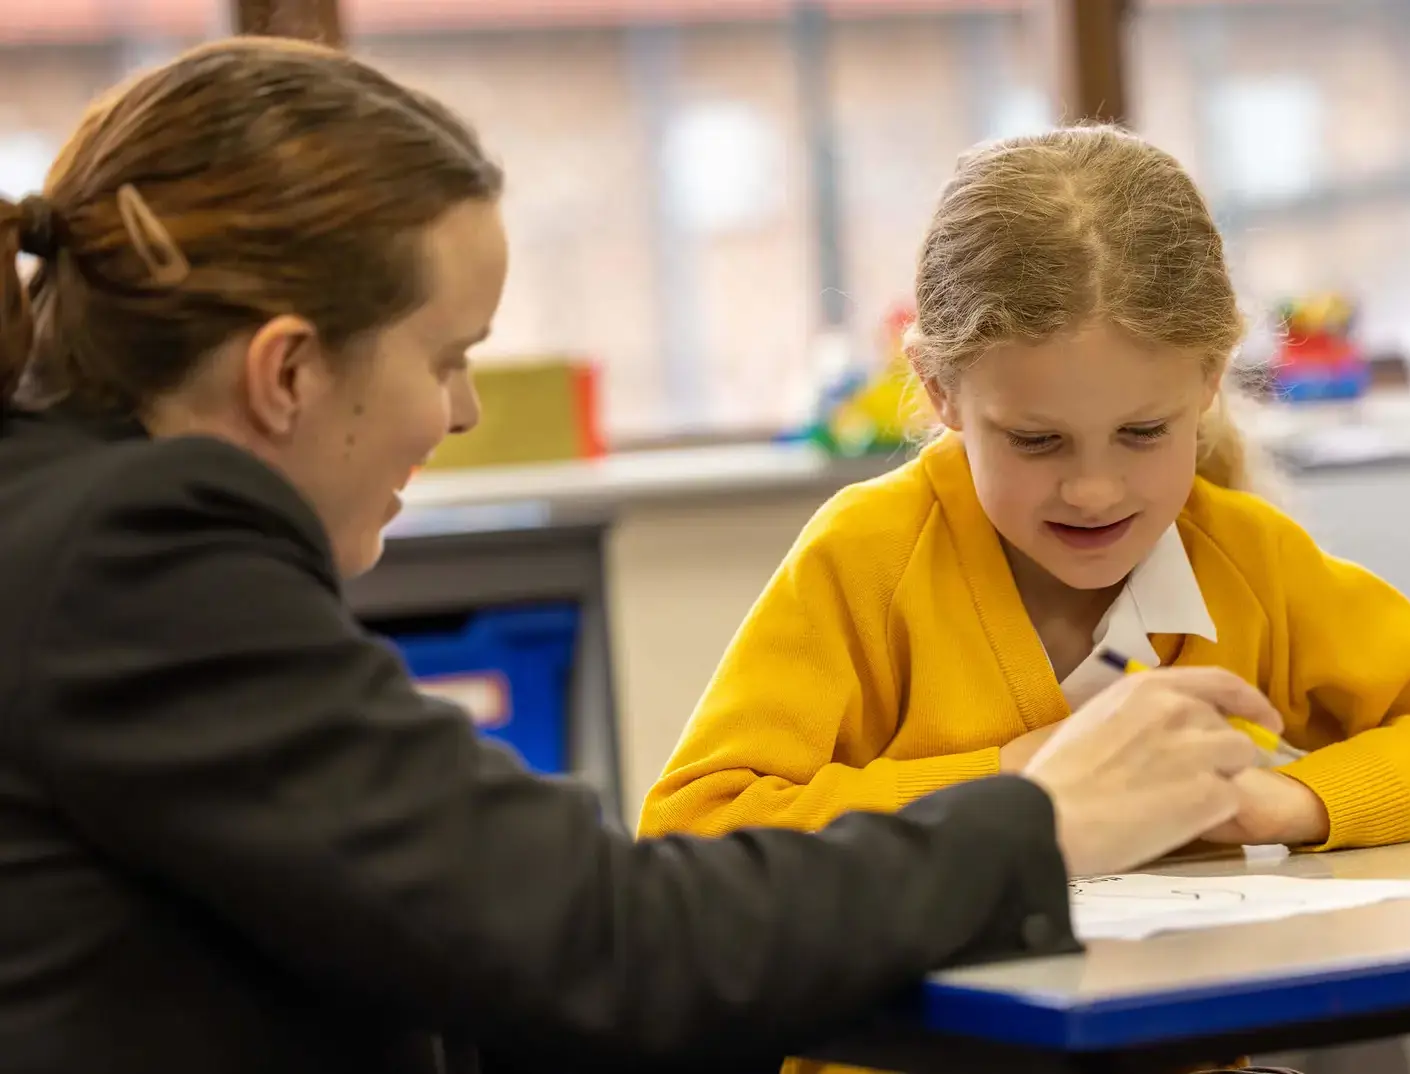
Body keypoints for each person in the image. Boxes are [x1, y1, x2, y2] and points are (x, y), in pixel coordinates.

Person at [0, 40, 1291, 1074]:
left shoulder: (69, 526)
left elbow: (471, 930)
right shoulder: (134, 556)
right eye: (448, 357)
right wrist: (1041, 821)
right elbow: (598, 934)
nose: (457, 412)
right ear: (286, 368)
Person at [640, 126, 1410, 853]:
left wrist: (1289, 801)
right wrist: (1019, 792)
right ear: (938, 390)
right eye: (1036, 440)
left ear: (1210, 378)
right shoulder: (869, 560)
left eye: (1142, 433)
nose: (1092, 490)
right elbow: (694, 828)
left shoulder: (1243, 557)